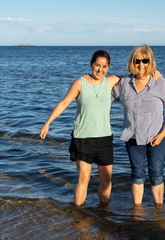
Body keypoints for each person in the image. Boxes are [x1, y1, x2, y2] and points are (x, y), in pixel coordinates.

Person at [39, 50, 120, 206]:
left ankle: (104, 212)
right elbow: (63, 103)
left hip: (104, 139)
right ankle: (78, 214)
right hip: (83, 139)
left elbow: (136, 77)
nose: (100, 69)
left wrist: (154, 73)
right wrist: (47, 123)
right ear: (91, 64)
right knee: (84, 179)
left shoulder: (110, 81)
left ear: (108, 67)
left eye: (104, 66)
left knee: (106, 180)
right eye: (97, 65)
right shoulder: (80, 83)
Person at [112, 45, 165, 206]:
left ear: (150, 62)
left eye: (145, 61)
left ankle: (158, 211)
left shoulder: (160, 83)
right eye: (137, 61)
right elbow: (102, 94)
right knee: (137, 174)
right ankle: (137, 212)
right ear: (132, 62)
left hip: (156, 138)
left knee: (156, 174)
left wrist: (161, 135)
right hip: (133, 137)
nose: (141, 64)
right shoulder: (125, 83)